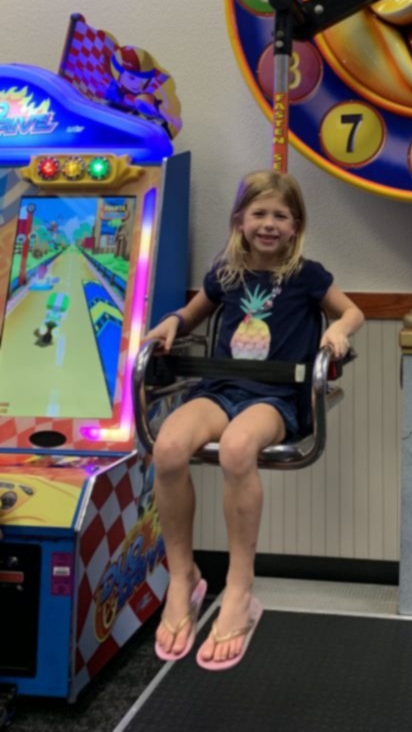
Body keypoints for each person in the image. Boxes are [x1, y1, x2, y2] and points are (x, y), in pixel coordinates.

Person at [144, 170, 364, 671]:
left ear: (295, 225)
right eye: (258, 214)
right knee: (169, 446)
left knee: (240, 448)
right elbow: (193, 314)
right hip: (220, 387)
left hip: (277, 395)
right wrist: (174, 322)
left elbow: (352, 312)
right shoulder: (225, 273)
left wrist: (338, 333)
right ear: (240, 221)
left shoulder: (308, 276)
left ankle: (239, 588)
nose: (268, 224)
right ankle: (184, 577)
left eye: (280, 216)